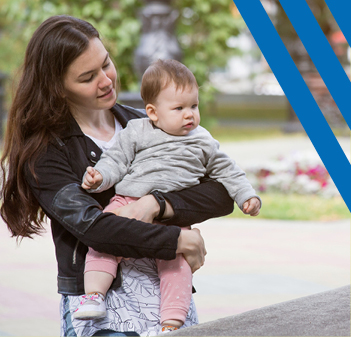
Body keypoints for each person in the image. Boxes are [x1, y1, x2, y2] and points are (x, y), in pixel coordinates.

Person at [0, 15, 236, 337]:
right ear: (58, 88)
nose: (106, 80)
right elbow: (94, 228)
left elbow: (221, 192)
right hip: (101, 307)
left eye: (105, 64)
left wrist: (156, 204)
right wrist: (177, 239)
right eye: (87, 77)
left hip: (167, 301)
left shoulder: (148, 124)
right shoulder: (45, 151)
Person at [77, 59, 261, 331]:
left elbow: (227, 170)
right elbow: (116, 160)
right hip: (128, 202)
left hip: (172, 218)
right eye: (179, 108)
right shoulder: (137, 131)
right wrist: (100, 176)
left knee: (177, 265)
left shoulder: (202, 140)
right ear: (152, 112)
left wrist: (246, 195)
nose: (190, 115)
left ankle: (171, 323)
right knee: (103, 243)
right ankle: (94, 295)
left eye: (194, 106)